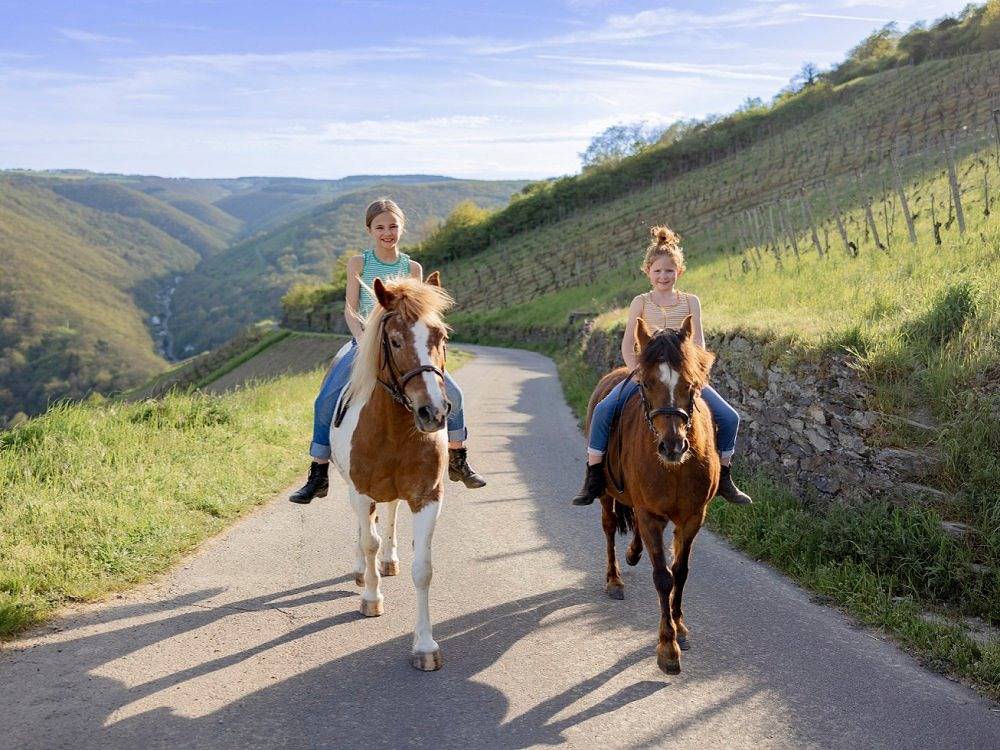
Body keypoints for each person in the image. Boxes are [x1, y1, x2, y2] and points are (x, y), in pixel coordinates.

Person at [289, 198, 486, 503]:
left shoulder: (412, 267)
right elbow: (350, 310)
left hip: (402, 345)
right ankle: (318, 473)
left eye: (393, 226)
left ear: (401, 228)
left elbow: (417, 314)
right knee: (325, 399)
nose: (387, 232)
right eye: (380, 227)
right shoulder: (359, 263)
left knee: (455, 395)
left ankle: (458, 458)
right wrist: (362, 340)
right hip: (364, 342)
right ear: (369, 230)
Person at [571, 225, 752, 507]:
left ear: (679, 271)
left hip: (682, 376)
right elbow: (628, 345)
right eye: (657, 271)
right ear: (648, 272)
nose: (663, 276)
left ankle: (725, 477)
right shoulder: (640, 302)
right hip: (648, 375)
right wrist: (639, 372)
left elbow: (698, 345)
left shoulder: (691, 302)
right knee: (603, 410)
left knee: (730, 417)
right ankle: (593, 476)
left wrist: (696, 376)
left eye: (669, 271)